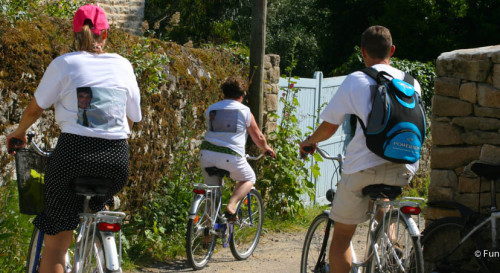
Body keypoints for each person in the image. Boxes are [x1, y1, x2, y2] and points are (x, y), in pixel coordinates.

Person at [6, 4, 141, 273]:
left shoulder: (64, 64)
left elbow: (35, 108)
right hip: (116, 161)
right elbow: (131, 117)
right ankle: (102, 244)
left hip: (72, 156)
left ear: (75, 32)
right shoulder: (123, 65)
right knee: (99, 204)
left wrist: (19, 133)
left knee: (56, 245)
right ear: (106, 33)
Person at [299, 25, 421, 273]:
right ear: (392, 50)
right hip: (404, 167)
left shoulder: (357, 79)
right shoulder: (412, 83)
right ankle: (391, 244)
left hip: (362, 167)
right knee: (384, 202)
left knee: (342, 235)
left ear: (363, 52)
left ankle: (381, 249)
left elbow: (330, 127)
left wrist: (310, 141)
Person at [200, 76, 276, 220]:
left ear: (224, 93)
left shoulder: (211, 108)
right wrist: (265, 148)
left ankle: (207, 236)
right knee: (249, 177)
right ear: (242, 95)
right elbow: (258, 137)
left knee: (211, 194)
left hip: (207, 155)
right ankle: (232, 205)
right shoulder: (244, 110)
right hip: (231, 156)